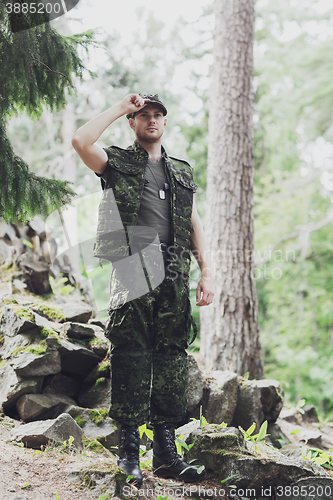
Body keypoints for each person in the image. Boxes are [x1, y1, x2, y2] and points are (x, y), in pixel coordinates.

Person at [72, 93, 214, 486]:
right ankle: (129, 453)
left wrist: (208, 273)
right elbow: (81, 141)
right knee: (132, 354)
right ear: (133, 123)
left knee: (171, 357)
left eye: (157, 115)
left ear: (165, 123)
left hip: (173, 270)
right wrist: (120, 107)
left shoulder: (181, 172)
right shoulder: (116, 162)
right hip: (134, 265)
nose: (151, 120)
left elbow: (194, 222)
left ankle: (167, 454)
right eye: (143, 115)